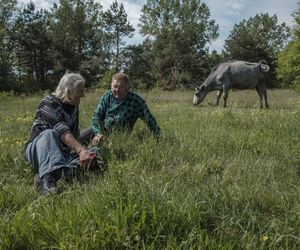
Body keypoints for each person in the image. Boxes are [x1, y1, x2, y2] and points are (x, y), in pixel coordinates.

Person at [24, 73, 99, 195]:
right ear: (69, 91)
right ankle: (48, 183)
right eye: (80, 91)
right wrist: (81, 151)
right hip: (38, 150)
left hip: (61, 153)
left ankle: (55, 174)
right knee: (49, 134)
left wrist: (86, 151)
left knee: (94, 151)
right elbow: (61, 129)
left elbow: (73, 135)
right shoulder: (49, 101)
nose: (83, 94)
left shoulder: (74, 106)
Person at [91, 73, 160, 144]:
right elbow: (96, 116)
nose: (117, 90)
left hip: (119, 137)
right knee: (80, 140)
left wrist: (158, 137)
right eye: (115, 86)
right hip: (100, 132)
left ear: (128, 88)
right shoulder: (107, 96)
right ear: (111, 86)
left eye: (121, 87)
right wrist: (98, 133)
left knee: (96, 152)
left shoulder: (136, 101)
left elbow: (149, 120)